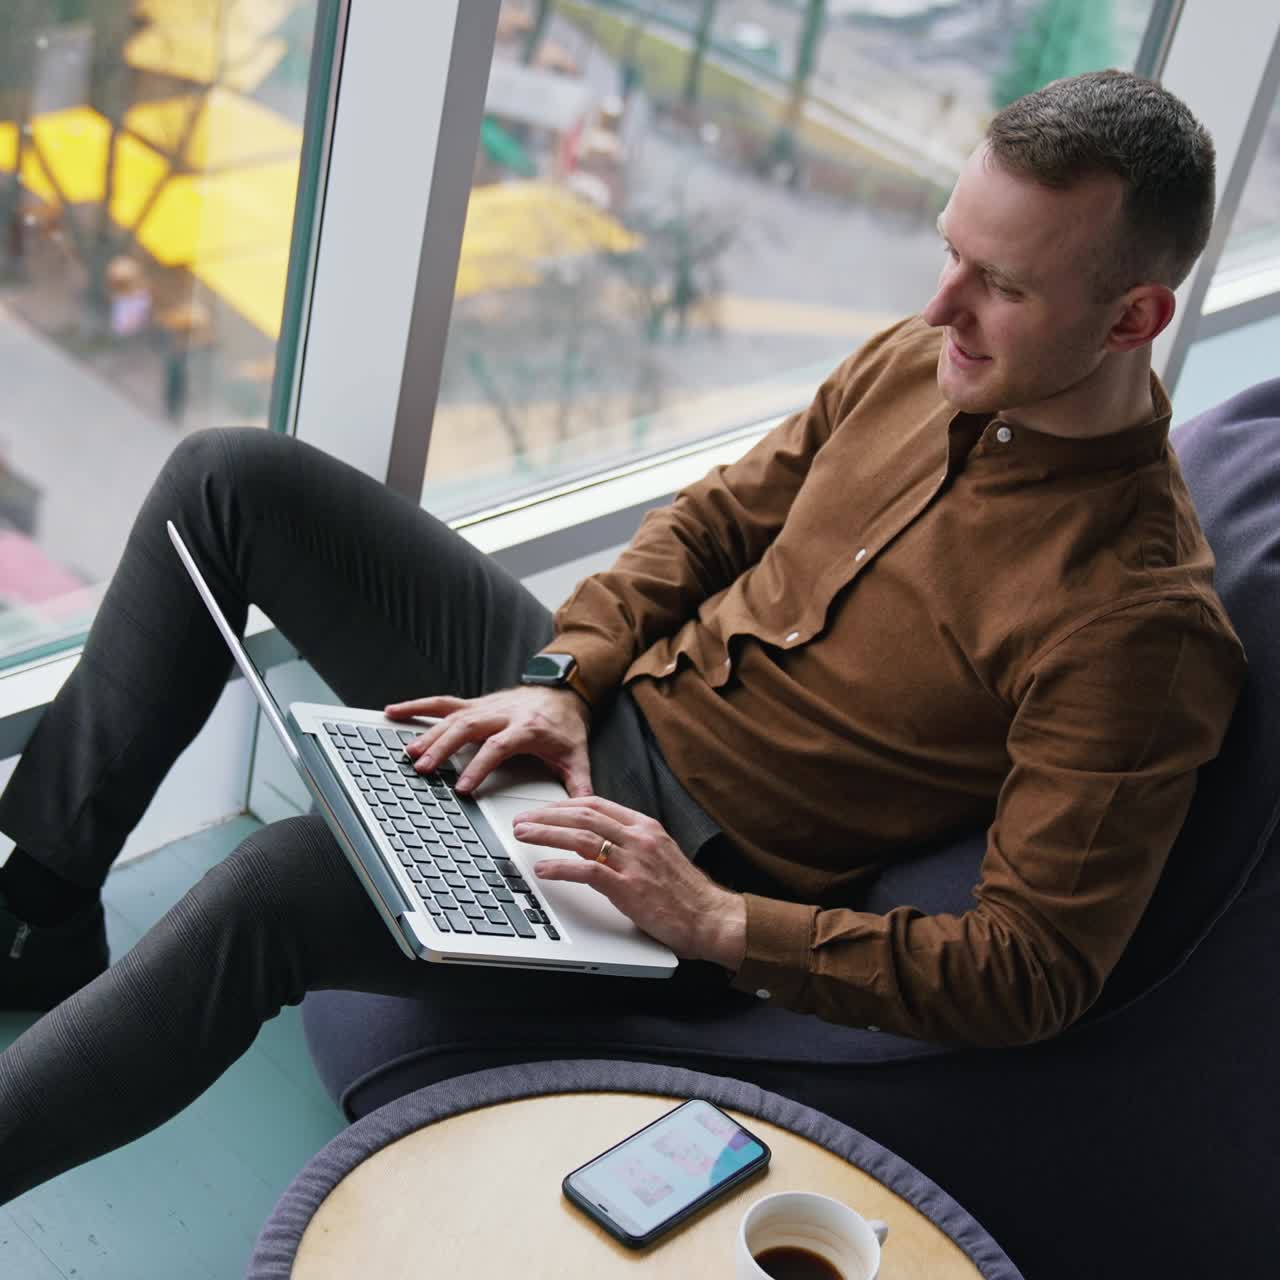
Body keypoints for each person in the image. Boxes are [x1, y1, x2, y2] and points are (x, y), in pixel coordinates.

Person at [0, 71, 1245, 1202]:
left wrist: (711, 921)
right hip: (602, 701)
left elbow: (1030, 970)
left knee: (268, 890)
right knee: (231, 480)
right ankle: (45, 906)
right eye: (949, 254)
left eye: (1001, 286)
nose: (940, 305)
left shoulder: (1134, 626)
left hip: (676, 863)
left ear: (1133, 318)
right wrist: (556, 676)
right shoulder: (923, 360)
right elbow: (709, 522)